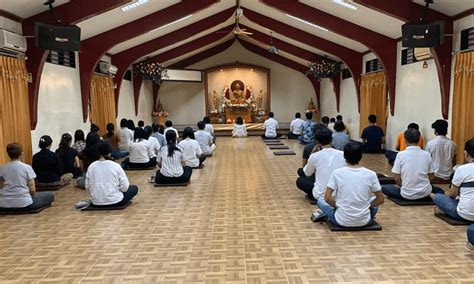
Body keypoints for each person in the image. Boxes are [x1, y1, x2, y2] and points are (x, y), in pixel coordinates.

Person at [314, 142, 384, 226]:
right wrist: (367, 206)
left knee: (320, 200)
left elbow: (327, 198)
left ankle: (340, 214)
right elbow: (380, 199)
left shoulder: (337, 173)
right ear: (361, 156)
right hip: (364, 221)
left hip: (341, 221)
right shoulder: (371, 174)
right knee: (373, 200)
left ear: (344, 156)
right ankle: (363, 215)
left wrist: (338, 206)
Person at [381, 128, 444, 201]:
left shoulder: (400, 155)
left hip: (406, 194)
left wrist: (405, 187)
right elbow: (431, 177)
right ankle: (426, 195)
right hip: (425, 193)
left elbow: (397, 179)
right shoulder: (426, 154)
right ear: (419, 139)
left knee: (385, 188)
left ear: (405, 140)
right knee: (440, 191)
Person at [0, 143, 55, 211]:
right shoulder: (27, 167)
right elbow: (32, 190)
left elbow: (1, 186)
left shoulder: (2, 168)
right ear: (21, 154)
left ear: (8, 154)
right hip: (24, 203)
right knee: (49, 195)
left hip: (3, 204)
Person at [296, 128, 345, 202]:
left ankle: (313, 197)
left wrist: (312, 155)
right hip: (339, 194)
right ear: (331, 139)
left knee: (300, 180)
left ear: (317, 141)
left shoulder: (315, 155)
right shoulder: (342, 154)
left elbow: (307, 173)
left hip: (320, 195)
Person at [432, 138, 474, 222]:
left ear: (465, 154)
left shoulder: (462, 169)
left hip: (466, 215)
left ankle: (444, 211)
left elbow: (452, 195)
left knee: (438, 197)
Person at [85, 141, 138, 207]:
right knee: (134, 188)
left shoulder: (91, 166)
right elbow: (125, 187)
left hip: (96, 202)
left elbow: (87, 186)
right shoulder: (115, 165)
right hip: (115, 201)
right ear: (109, 153)